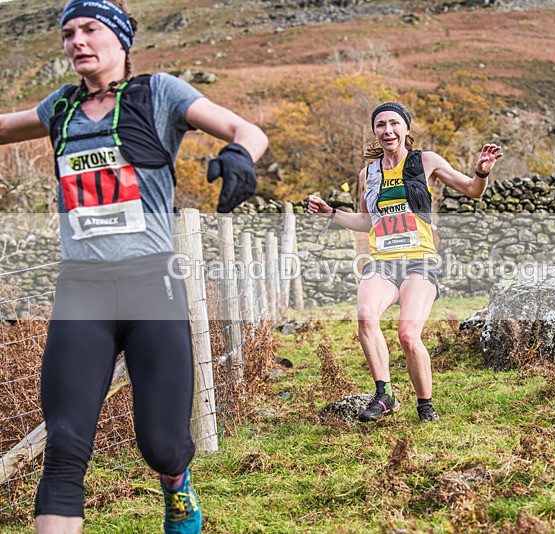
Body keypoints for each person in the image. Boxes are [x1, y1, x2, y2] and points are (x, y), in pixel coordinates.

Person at [0, 0, 268, 532]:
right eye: (68, 32)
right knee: (66, 441)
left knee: (163, 444)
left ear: (120, 38)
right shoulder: (60, 109)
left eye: (90, 30)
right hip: (82, 288)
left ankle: (177, 484)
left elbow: (247, 130)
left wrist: (239, 156)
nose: (77, 41)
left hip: (151, 284)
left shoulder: (158, 93)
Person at [308, 101, 502, 423]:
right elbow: (366, 221)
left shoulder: (426, 162)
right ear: (374, 132)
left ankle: (425, 406)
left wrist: (481, 171)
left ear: (406, 129)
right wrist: (331, 212)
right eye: (381, 125)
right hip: (382, 262)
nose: (388, 130)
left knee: (408, 336)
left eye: (394, 123)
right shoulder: (368, 174)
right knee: (365, 314)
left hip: (419, 263)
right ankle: (385, 395)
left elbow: (472, 190)